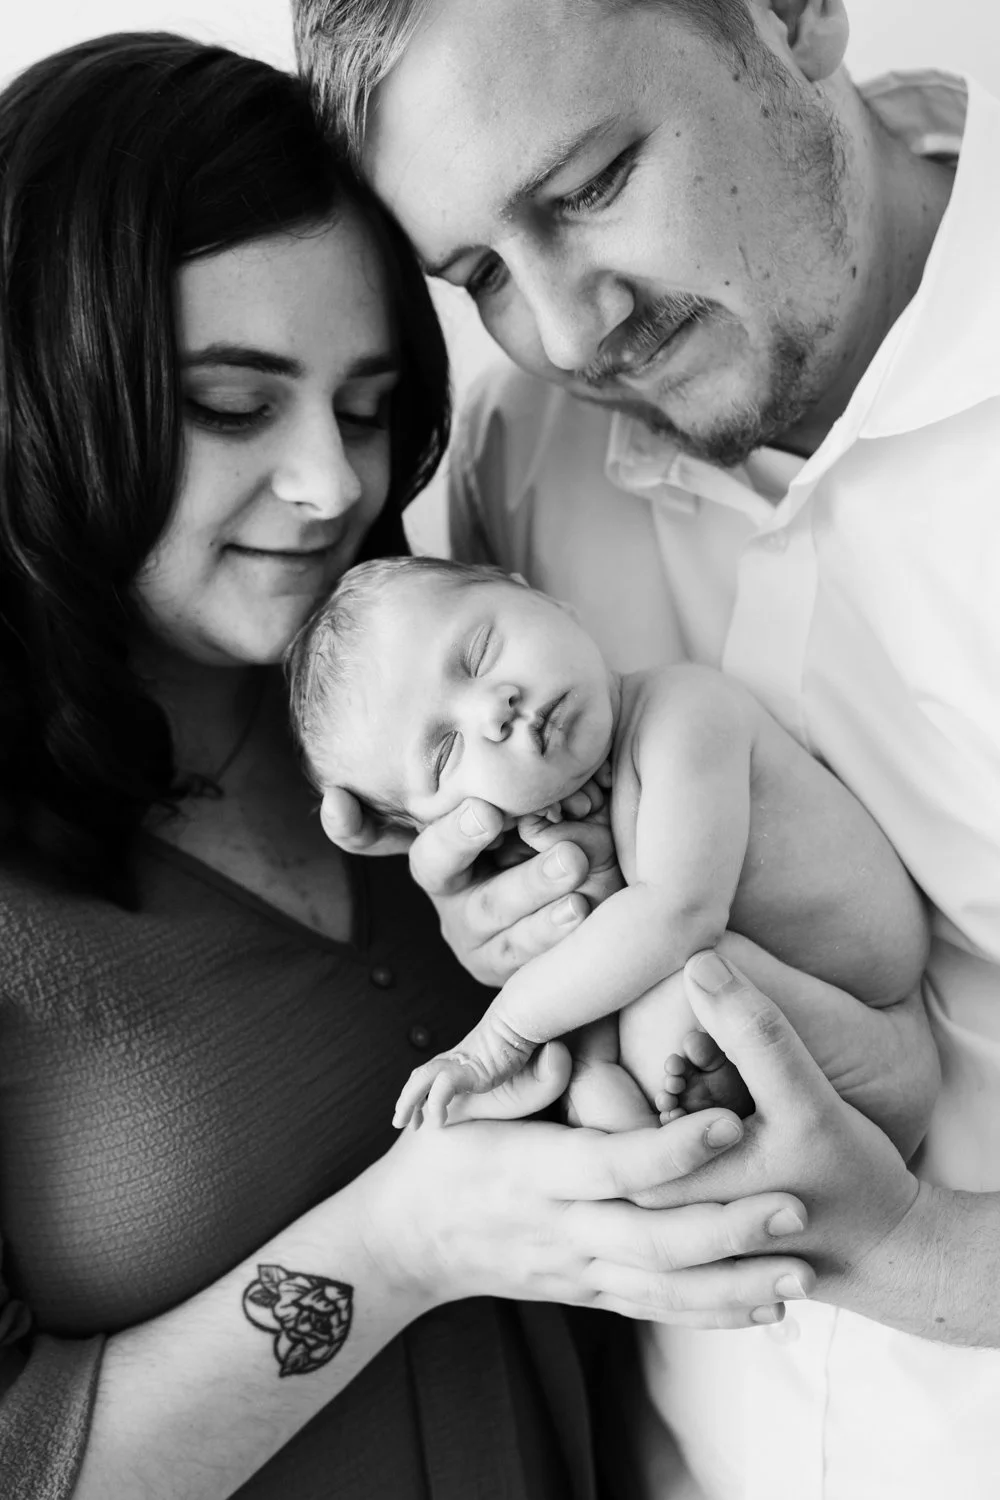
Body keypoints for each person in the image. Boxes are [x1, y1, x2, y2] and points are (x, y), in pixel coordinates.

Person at [0, 32, 826, 1500]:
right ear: (44, 395)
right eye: (233, 406)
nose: (334, 486)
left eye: (371, 406)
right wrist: (403, 1244)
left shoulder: (448, 704)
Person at [295, 0, 1000, 1494]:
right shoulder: (518, 457)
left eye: (592, 185)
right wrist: (505, 927)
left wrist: (903, 1248)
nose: (565, 329)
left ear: (796, 14)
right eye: (481, 269)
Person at [287, 553, 932, 1141]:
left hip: (876, 1048)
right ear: (445, 825)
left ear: (541, 597)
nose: (494, 709)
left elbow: (676, 913)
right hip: (793, 1075)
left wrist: (497, 1040)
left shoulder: (685, 713)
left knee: (679, 978)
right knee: (588, 1078)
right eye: (447, 752)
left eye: (481, 651)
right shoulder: (562, 826)